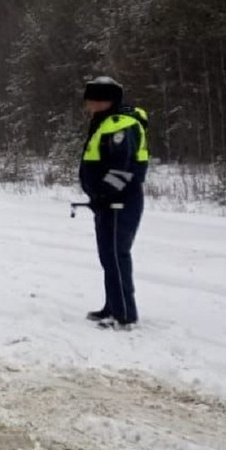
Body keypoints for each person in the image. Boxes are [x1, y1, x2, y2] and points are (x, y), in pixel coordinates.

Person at [78, 76, 149, 329]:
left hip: (120, 201)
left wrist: (104, 195)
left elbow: (123, 168)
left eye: (92, 100)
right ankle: (112, 306)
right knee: (108, 257)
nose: (88, 106)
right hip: (108, 201)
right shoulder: (106, 122)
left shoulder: (121, 125)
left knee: (117, 256)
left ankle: (124, 314)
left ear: (104, 101)